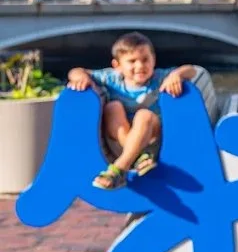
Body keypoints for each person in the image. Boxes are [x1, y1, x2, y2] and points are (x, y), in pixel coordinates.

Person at [67, 31, 196, 190]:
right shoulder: (112, 79)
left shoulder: (159, 77)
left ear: (153, 60)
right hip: (123, 144)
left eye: (145, 59)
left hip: (153, 144)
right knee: (113, 107)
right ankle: (135, 158)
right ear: (117, 66)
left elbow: (192, 70)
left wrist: (177, 75)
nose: (140, 66)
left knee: (144, 115)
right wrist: (80, 77)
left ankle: (119, 169)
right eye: (132, 61)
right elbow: (76, 71)